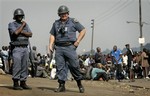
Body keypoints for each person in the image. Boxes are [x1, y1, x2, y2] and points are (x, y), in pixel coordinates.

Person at [49, 5, 86, 93]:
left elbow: (83, 30)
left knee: (74, 66)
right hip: (59, 47)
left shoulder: (73, 21)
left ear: (68, 13)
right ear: (59, 14)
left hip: (70, 47)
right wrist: (51, 44)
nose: (63, 15)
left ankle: (79, 84)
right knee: (60, 67)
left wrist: (78, 41)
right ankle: (61, 86)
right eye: (61, 14)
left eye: (65, 13)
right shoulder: (56, 23)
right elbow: (52, 34)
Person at [8, 8, 32, 90]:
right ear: (15, 16)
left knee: (24, 66)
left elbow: (30, 34)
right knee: (17, 65)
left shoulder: (26, 25)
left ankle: (23, 82)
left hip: (25, 48)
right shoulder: (12, 24)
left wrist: (21, 31)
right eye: (18, 16)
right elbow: (15, 33)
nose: (20, 17)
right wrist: (22, 27)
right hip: (17, 48)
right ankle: (15, 83)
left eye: (21, 16)